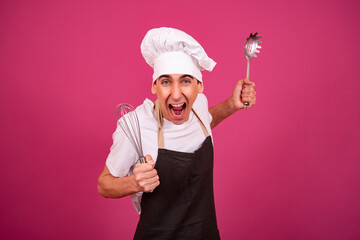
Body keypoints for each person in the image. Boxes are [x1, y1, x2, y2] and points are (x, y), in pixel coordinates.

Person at [97, 27, 256, 239]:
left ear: (199, 86)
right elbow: (104, 184)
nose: (176, 93)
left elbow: (205, 122)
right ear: (154, 87)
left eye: (185, 81)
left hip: (205, 233)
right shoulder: (134, 124)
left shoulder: (199, 107)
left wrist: (231, 105)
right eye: (166, 82)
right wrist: (133, 183)